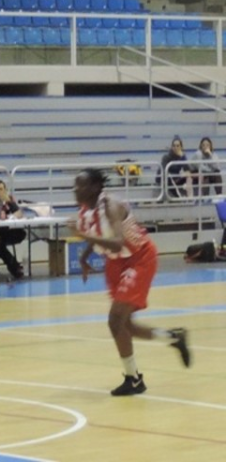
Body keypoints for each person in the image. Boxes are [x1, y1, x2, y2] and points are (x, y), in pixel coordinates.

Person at [71, 168, 190, 396]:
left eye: (80, 185)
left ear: (95, 188)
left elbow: (116, 241)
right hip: (116, 263)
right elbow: (99, 234)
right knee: (124, 325)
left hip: (139, 258)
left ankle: (133, 378)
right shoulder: (86, 211)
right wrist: (85, 256)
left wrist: (82, 236)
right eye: (75, 186)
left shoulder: (111, 205)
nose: (75, 190)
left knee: (115, 320)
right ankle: (172, 338)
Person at [0, 180, 26, 279]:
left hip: (7, 231)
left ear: (5, 190)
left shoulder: (10, 199)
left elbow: (19, 214)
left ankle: (14, 266)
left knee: (21, 233)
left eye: (1, 189)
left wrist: (8, 201)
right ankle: (15, 268)